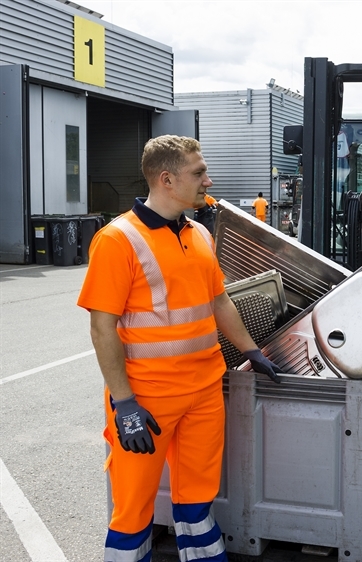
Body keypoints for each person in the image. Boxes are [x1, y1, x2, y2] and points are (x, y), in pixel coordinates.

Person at [77, 135, 284, 562]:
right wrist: (124, 403)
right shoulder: (118, 240)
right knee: (133, 508)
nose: (208, 179)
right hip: (147, 400)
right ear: (167, 179)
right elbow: (102, 328)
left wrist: (251, 350)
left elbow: (218, 300)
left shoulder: (200, 235)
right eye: (198, 173)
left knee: (197, 500)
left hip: (204, 391)